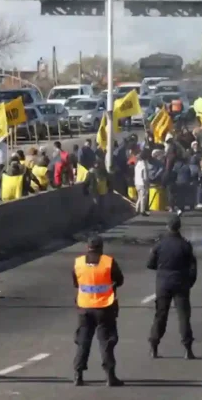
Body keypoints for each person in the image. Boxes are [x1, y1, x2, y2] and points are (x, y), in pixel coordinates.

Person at [72, 235, 124, 386]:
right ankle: (110, 376)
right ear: (101, 248)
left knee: (83, 341)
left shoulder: (78, 263)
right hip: (104, 308)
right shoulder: (109, 262)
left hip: (84, 307)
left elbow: (76, 283)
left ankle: (78, 375)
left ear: (87, 247)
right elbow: (119, 280)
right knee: (106, 342)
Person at [147, 214, 197, 359]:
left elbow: (150, 264)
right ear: (179, 227)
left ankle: (154, 347)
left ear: (167, 226)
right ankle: (188, 349)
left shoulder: (159, 244)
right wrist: (189, 282)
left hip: (163, 283)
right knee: (184, 317)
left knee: (161, 315)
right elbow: (193, 268)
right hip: (181, 283)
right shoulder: (185, 245)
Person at [134, 149, 150, 216]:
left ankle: (137, 209)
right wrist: (147, 185)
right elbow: (145, 177)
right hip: (143, 183)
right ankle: (142, 211)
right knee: (143, 197)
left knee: (139, 197)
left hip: (137, 182)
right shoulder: (144, 165)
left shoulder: (138, 164)